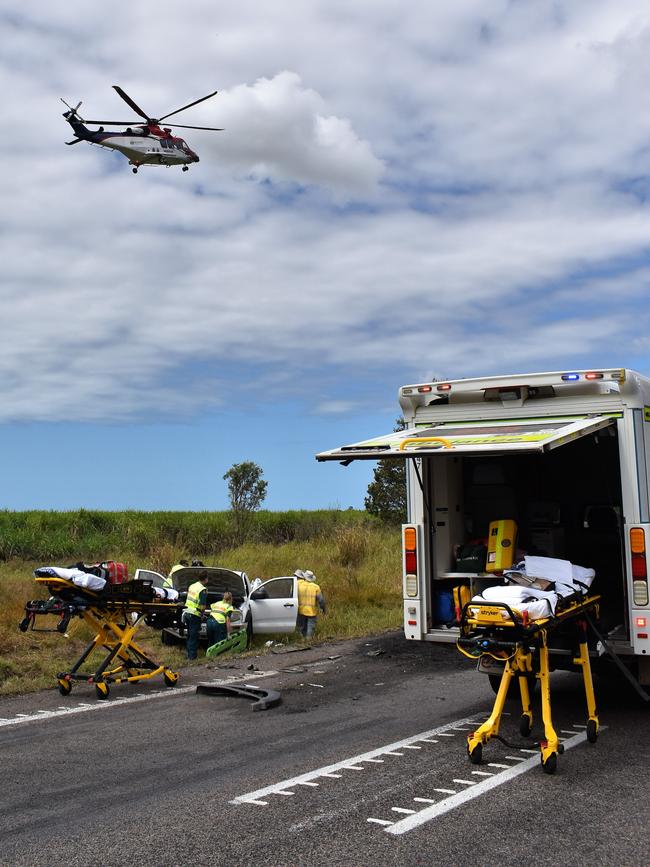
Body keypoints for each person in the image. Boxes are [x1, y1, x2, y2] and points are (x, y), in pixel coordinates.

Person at [183, 570, 210, 660]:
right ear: (205, 579)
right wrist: (202, 615)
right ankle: (192, 657)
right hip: (194, 615)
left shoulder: (192, 585)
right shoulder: (203, 590)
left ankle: (188, 654)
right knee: (194, 636)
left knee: (189, 635)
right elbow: (202, 607)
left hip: (187, 612)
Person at [296, 569, 327, 639]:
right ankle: (308, 641)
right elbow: (321, 600)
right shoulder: (316, 587)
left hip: (300, 611)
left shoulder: (298, 585)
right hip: (311, 612)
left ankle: (301, 641)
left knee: (301, 628)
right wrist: (324, 610)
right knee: (310, 629)